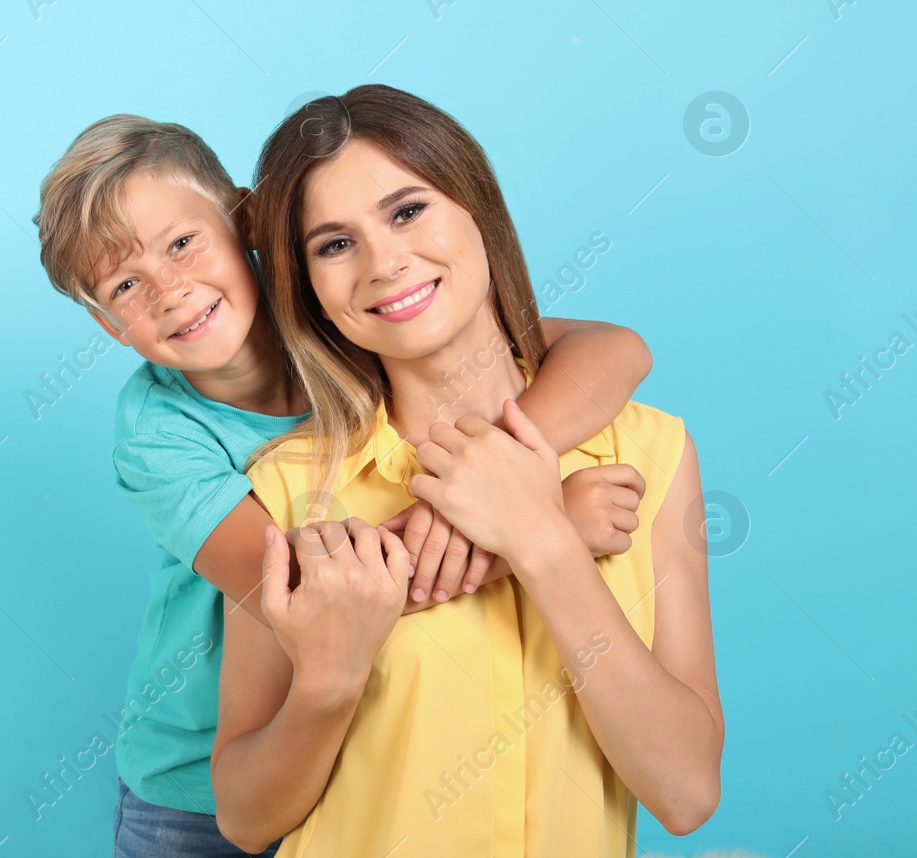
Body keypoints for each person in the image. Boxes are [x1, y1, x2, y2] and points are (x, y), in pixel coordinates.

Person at [33, 114, 655, 857]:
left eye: (182, 243)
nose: (170, 289)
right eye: (127, 284)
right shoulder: (156, 431)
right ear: (109, 325)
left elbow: (612, 347)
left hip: (358, 751)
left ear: (249, 217)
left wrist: (517, 471)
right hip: (201, 785)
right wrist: (537, 526)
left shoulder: (343, 309)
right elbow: (304, 595)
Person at [211, 85, 723, 855]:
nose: (385, 262)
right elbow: (245, 820)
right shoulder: (286, 490)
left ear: (476, 206)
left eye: (408, 210)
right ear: (310, 287)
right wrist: (326, 683)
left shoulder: (651, 449)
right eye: (335, 243)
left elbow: (686, 792)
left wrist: (540, 538)